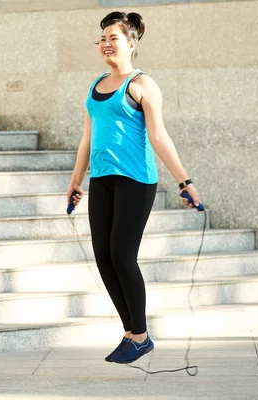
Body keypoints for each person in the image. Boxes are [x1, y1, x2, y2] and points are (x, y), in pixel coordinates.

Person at [66, 11, 202, 364]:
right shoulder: (96, 86)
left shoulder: (142, 84)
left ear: (131, 43)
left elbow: (159, 136)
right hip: (102, 179)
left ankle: (139, 335)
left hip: (136, 181)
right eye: (102, 39)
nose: (107, 44)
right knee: (104, 258)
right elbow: (86, 139)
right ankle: (133, 334)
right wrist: (76, 181)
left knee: (122, 256)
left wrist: (184, 182)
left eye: (114, 38)